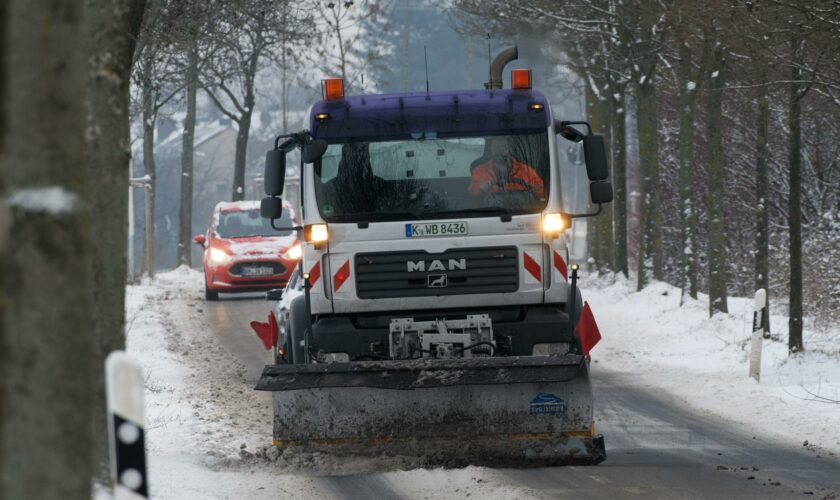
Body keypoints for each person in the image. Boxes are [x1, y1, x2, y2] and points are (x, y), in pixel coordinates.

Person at [467, 136, 545, 198]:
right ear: (491, 149)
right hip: (491, 212)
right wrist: (481, 188)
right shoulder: (480, 170)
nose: (499, 151)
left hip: (521, 212)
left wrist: (531, 188)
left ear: (509, 149)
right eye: (496, 147)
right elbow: (471, 192)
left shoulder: (525, 170)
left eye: (503, 147)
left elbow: (541, 190)